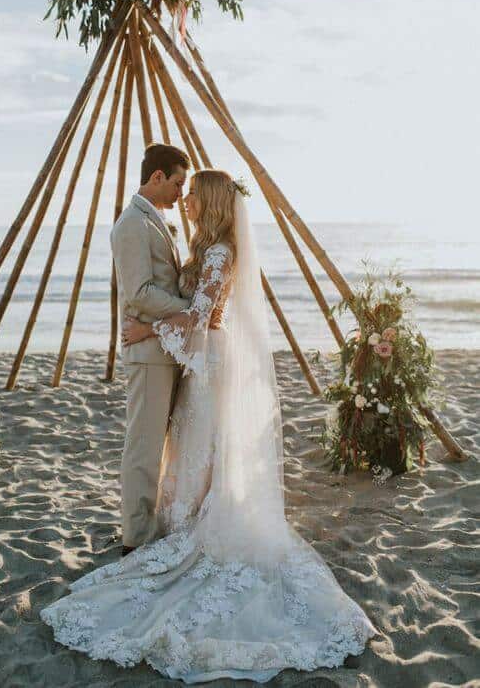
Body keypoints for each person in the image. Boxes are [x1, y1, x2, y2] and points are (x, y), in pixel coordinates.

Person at [40, 169, 378, 682]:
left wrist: (146, 326)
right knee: (193, 440)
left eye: (193, 194)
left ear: (214, 201)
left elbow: (201, 316)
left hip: (213, 361)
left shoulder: (219, 252)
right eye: (184, 191)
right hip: (204, 361)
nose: (186, 201)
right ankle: (189, 516)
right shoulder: (208, 247)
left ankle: (197, 522)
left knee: (202, 440)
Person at [109, 142, 190, 554]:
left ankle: (146, 523)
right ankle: (135, 538)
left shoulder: (154, 221)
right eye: (177, 183)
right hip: (148, 355)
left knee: (158, 444)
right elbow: (139, 293)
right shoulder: (131, 225)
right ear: (157, 177)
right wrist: (191, 310)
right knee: (143, 445)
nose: (181, 192)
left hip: (163, 347)